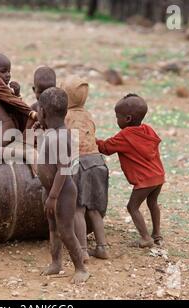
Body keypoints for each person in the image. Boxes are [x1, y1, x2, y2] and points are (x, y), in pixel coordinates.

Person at [96, 94, 165, 248]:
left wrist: (91, 140)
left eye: (117, 117)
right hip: (158, 176)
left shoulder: (125, 135)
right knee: (152, 202)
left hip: (145, 180)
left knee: (132, 207)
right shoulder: (148, 129)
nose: (116, 120)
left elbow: (105, 148)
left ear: (127, 119)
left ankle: (146, 238)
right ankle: (157, 234)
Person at [35, 87, 89, 284]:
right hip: (51, 190)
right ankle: (56, 263)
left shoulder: (59, 136)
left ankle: (81, 268)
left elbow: (63, 169)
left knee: (66, 231)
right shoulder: (54, 132)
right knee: (52, 228)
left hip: (62, 193)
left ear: (43, 112)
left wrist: (53, 196)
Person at [61, 75, 109, 261]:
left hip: (79, 163)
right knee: (94, 208)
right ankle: (102, 247)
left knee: (77, 209)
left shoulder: (66, 117)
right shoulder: (87, 115)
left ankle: (81, 250)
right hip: (97, 161)